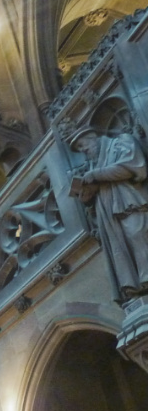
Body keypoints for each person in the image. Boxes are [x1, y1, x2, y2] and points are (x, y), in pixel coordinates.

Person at [70, 126, 148, 300]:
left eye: (83, 145)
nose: (84, 151)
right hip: (109, 215)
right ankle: (137, 286)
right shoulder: (94, 163)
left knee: (138, 235)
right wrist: (86, 193)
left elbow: (133, 167)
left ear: (93, 137)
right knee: (122, 250)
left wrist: (96, 175)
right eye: (81, 149)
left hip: (129, 203)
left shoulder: (121, 142)